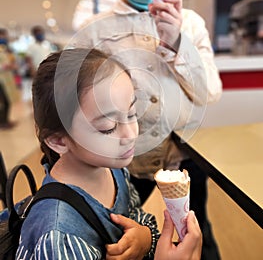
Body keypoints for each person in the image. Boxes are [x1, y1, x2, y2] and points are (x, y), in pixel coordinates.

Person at [75, 0, 222, 259]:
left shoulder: (192, 23)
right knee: (121, 234)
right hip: (125, 161)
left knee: (197, 231)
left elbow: (209, 92)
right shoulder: (96, 33)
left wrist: (177, 43)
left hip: (186, 155)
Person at [16, 47, 201, 260]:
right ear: (59, 140)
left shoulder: (114, 170)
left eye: (132, 114)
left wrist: (145, 238)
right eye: (108, 127)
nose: (131, 134)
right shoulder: (58, 236)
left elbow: (136, 216)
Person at [0, 28, 19, 129]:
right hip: (1, 80)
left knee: (8, 101)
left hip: (7, 79)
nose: (3, 38)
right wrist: (4, 66)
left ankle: (5, 120)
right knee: (3, 101)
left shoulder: (4, 49)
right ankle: (2, 122)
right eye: (2, 36)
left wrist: (12, 65)